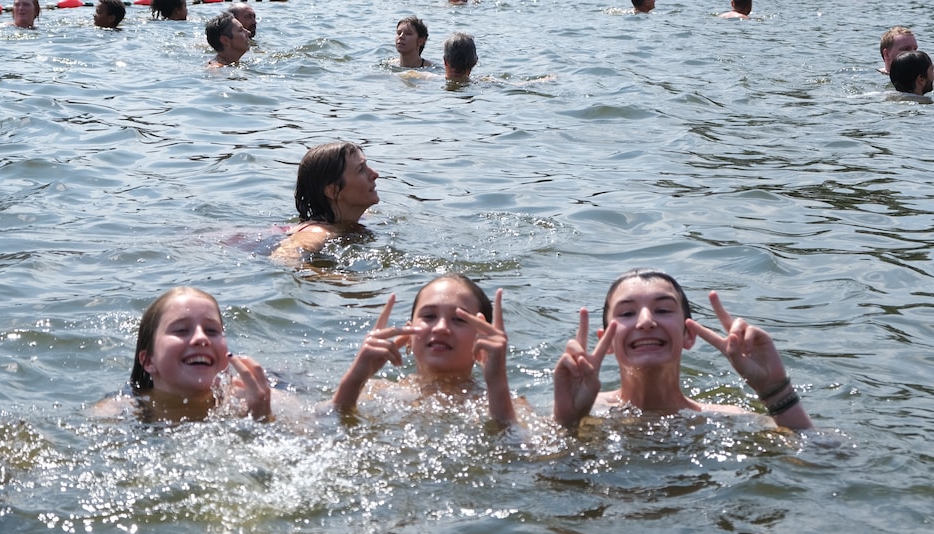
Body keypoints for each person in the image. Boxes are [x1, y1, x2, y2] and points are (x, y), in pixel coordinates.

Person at [552, 269, 814, 432]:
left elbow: (829, 461)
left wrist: (776, 390)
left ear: (689, 335)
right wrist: (567, 422)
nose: (646, 321)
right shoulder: (580, 409)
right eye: (627, 313)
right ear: (606, 343)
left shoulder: (726, 421)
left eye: (663, 309)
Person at [330, 274, 521, 431]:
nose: (440, 328)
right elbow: (321, 427)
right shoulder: (375, 391)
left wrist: (497, 383)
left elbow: (522, 454)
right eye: (429, 316)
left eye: (459, 319)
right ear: (408, 337)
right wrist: (355, 379)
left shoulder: (507, 403)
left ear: (484, 338)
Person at [96, 287, 272, 424]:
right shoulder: (116, 412)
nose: (201, 338)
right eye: (181, 330)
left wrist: (261, 419)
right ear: (149, 361)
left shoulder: (267, 400)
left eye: (211, 330)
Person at [271, 141, 379, 260]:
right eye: (360, 170)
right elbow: (282, 258)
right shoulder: (317, 233)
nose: (375, 174)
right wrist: (336, 277)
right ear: (333, 191)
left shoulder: (358, 217)